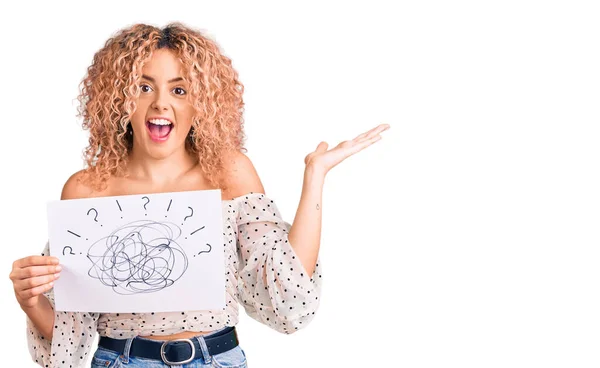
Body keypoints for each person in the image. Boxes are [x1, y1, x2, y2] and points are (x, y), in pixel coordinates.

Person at [9, 22, 390, 368]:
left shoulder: (229, 173)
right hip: (120, 360)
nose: (160, 103)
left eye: (179, 89)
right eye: (144, 87)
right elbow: (69, 338)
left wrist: (315, 177)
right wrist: (30, 301)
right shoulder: (86, 189)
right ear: (119, 100)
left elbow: (286, 291)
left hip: (217, 359)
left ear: (201, 103)